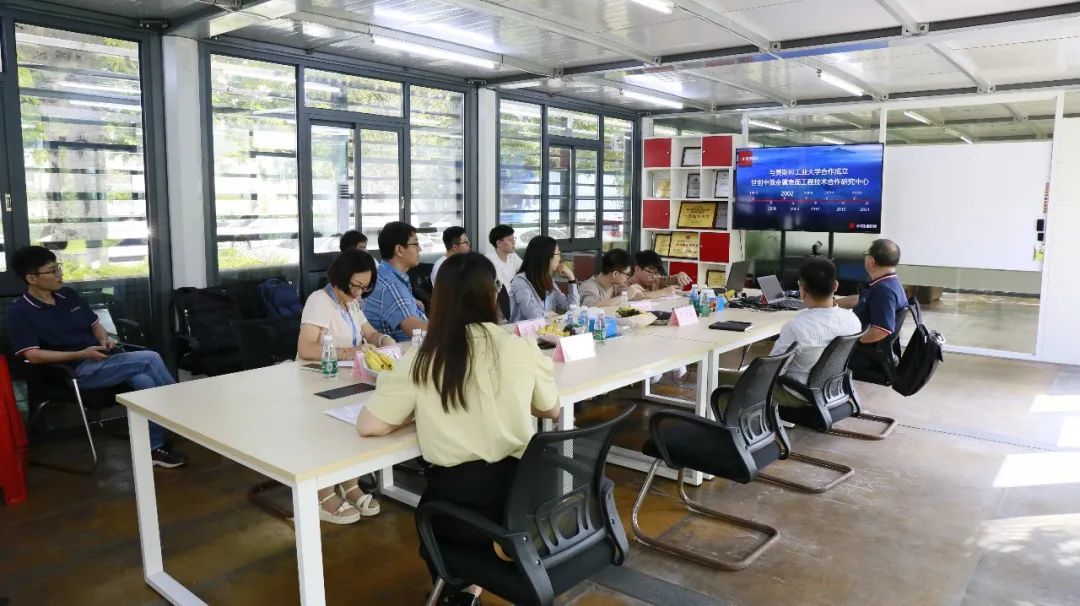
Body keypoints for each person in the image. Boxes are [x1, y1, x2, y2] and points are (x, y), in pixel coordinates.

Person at [357, 252, 559, 606]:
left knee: (435, 523)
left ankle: (462, 591)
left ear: (439, 300)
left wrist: (415, 411)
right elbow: (550, 408)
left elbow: (370, 425)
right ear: (492, 294)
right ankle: (471, 588)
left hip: (457, 505)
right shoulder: (520, 346)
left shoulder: (422, 359)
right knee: (471, 525)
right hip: (525, 496)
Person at [5, 246, 187, 468]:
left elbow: (95, 325)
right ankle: (183, 415)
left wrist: (103, 340)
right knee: (150, 358)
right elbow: (32, 356)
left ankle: (154, 448)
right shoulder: (20, 313)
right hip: (72, 373)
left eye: (58, 268)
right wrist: (81, 353)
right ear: (32, 278)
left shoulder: (67, 296)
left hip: (101, 360)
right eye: (52, 271)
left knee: (145, 382)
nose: (60, 274)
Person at [296, 249, 392, 523]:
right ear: (340, 279)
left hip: (344, 378)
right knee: (327, 433)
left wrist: (383, 340)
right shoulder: (320, 301)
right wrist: (347, 352)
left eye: (366, 287)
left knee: (347, 431)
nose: (361, 292)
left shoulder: (350, 301)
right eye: (357, 285)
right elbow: (305, 347)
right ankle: (323, 492)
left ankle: (348, 483)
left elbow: (368, 332)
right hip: (314, 379)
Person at [766, 258, 862, 407]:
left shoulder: (796, 327)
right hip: (832, 390)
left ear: (802, 290)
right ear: (836, 286)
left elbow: (771, 372)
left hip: (799, 395)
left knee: (722, 379)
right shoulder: (853, 319)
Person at [836, 239, 908, 372]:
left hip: (864, 355)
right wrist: (832, 303)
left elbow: (882, 330)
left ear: (872, 261)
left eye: (866, 254)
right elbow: (861, 300)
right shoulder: (888, 283)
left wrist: (851, 343)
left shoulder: (884, 291)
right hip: (866, 348)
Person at [363, 221, 428, 342]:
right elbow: (416, 330)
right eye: (416, 244)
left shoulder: (382, 274)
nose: (419, 249)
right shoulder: (391, 285)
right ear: (399, 250)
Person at [508, 235, 579, 322]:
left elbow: (573, 308)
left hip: (546, 332)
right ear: (547, 257)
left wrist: (572, 279)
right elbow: (532, 314)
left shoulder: (548, 280)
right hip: (524, 334)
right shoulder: (520, 282)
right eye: (558, 254)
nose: (560, 259)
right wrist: (548, 314)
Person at [627, 250, 693, 299]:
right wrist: (663, 292)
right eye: (650, 272)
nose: (654, 277)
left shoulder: (656, 280)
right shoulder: (625, 285)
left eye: (656, 273)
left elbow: (673, 279)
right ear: (637, 269)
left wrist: (680, 275)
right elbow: (634, 295)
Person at [484, 224, 522, 294]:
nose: (514, 242)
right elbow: (498, 287)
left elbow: (524, 269)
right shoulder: (489, 260)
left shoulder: (513, 256)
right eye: (510, 240)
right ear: (499, 243)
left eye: (514, 239)